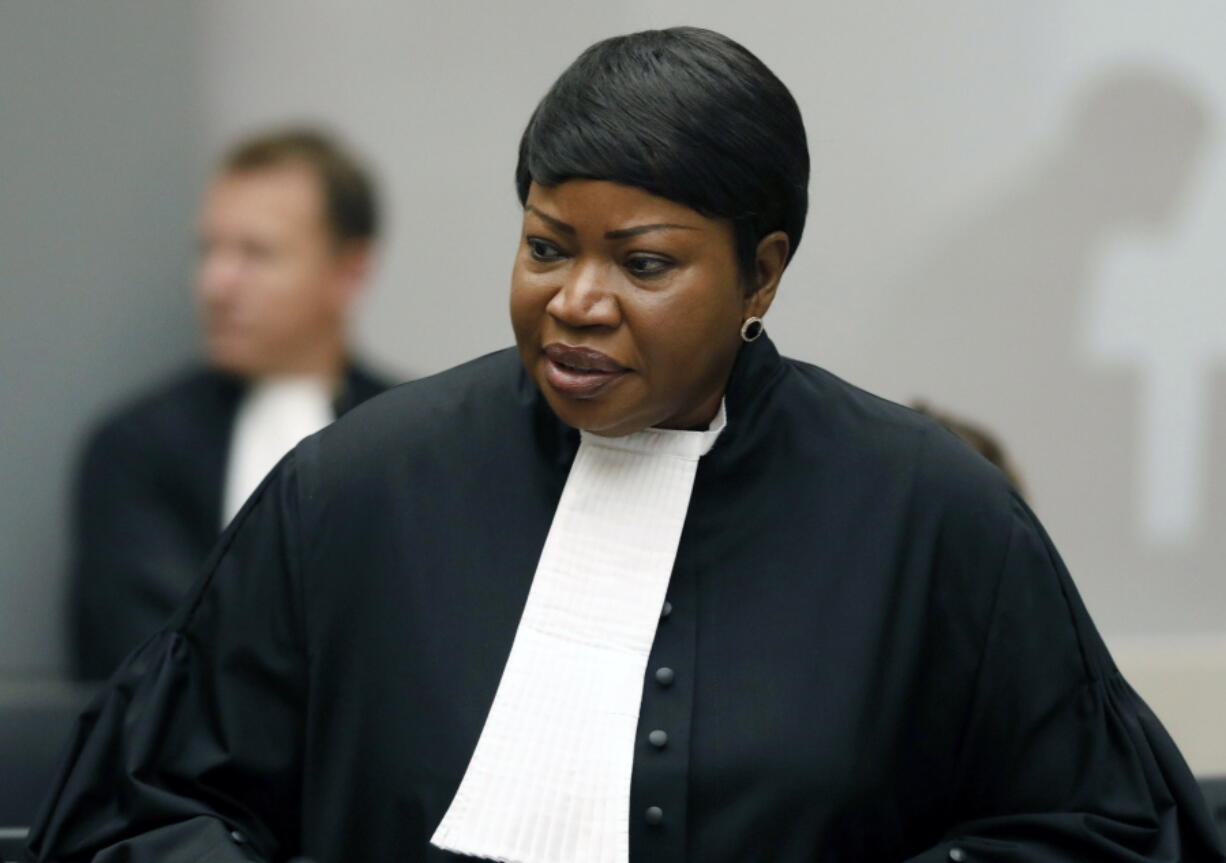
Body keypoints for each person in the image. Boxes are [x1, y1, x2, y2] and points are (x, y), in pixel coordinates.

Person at [32, 28, 1223, 863]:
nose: (577, 301)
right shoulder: (355, 488)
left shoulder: (927, 511)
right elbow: (147, 807)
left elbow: (1108, 829)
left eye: (643, 264)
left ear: (762, 269)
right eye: (547, 246)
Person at [68, 128, 392, 681]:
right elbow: (144, 661)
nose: (215, 283)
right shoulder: (136, 447)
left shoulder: (409, 435)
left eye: (256, 253)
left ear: (349, 271)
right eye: (210, 250)